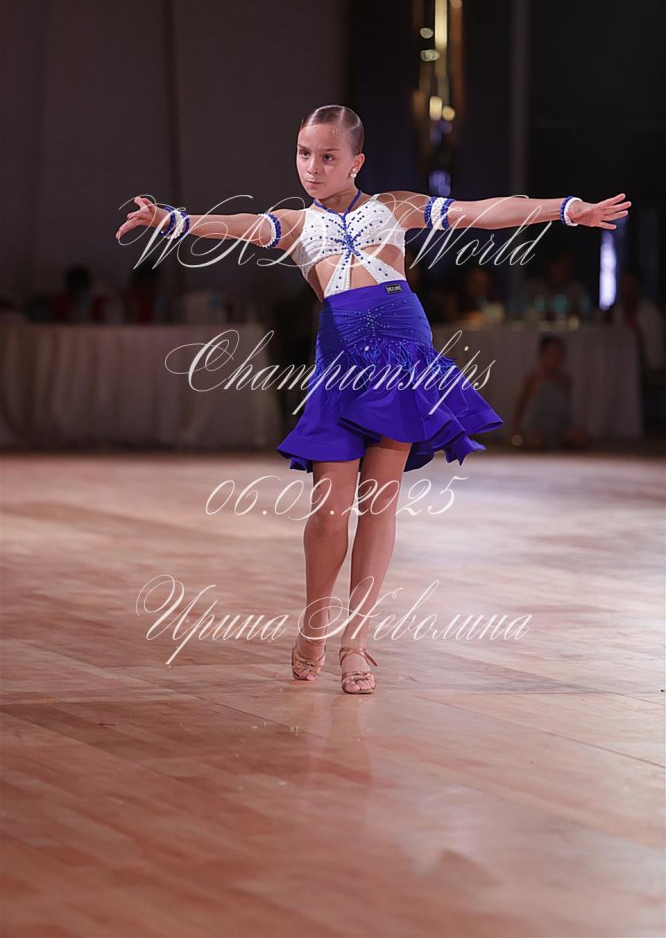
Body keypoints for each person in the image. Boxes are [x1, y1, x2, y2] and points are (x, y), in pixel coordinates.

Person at [115, 103, 631, 695]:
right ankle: (314, 625)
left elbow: (480, 213)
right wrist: (169, 220)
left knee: (378, 506)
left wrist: (567, 209)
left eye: (327, 156)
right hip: (341, 364)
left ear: (356, 162)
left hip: (403, 359)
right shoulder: (294, 224)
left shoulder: (394, 207)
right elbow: (229, 225)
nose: (312, 167)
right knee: (328, 513)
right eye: (304, 154)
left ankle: (355, 642)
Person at [511, 335, 589, 451]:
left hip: (560, 427)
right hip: (538, 427)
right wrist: (516, 430)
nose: (556, 357)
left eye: (559, 353)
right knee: (535, 441)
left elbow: (566, 408)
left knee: (580, 438)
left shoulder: (565, 379)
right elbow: (520, 405)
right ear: (542, 355)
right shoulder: (533, 379)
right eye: (552, 353)